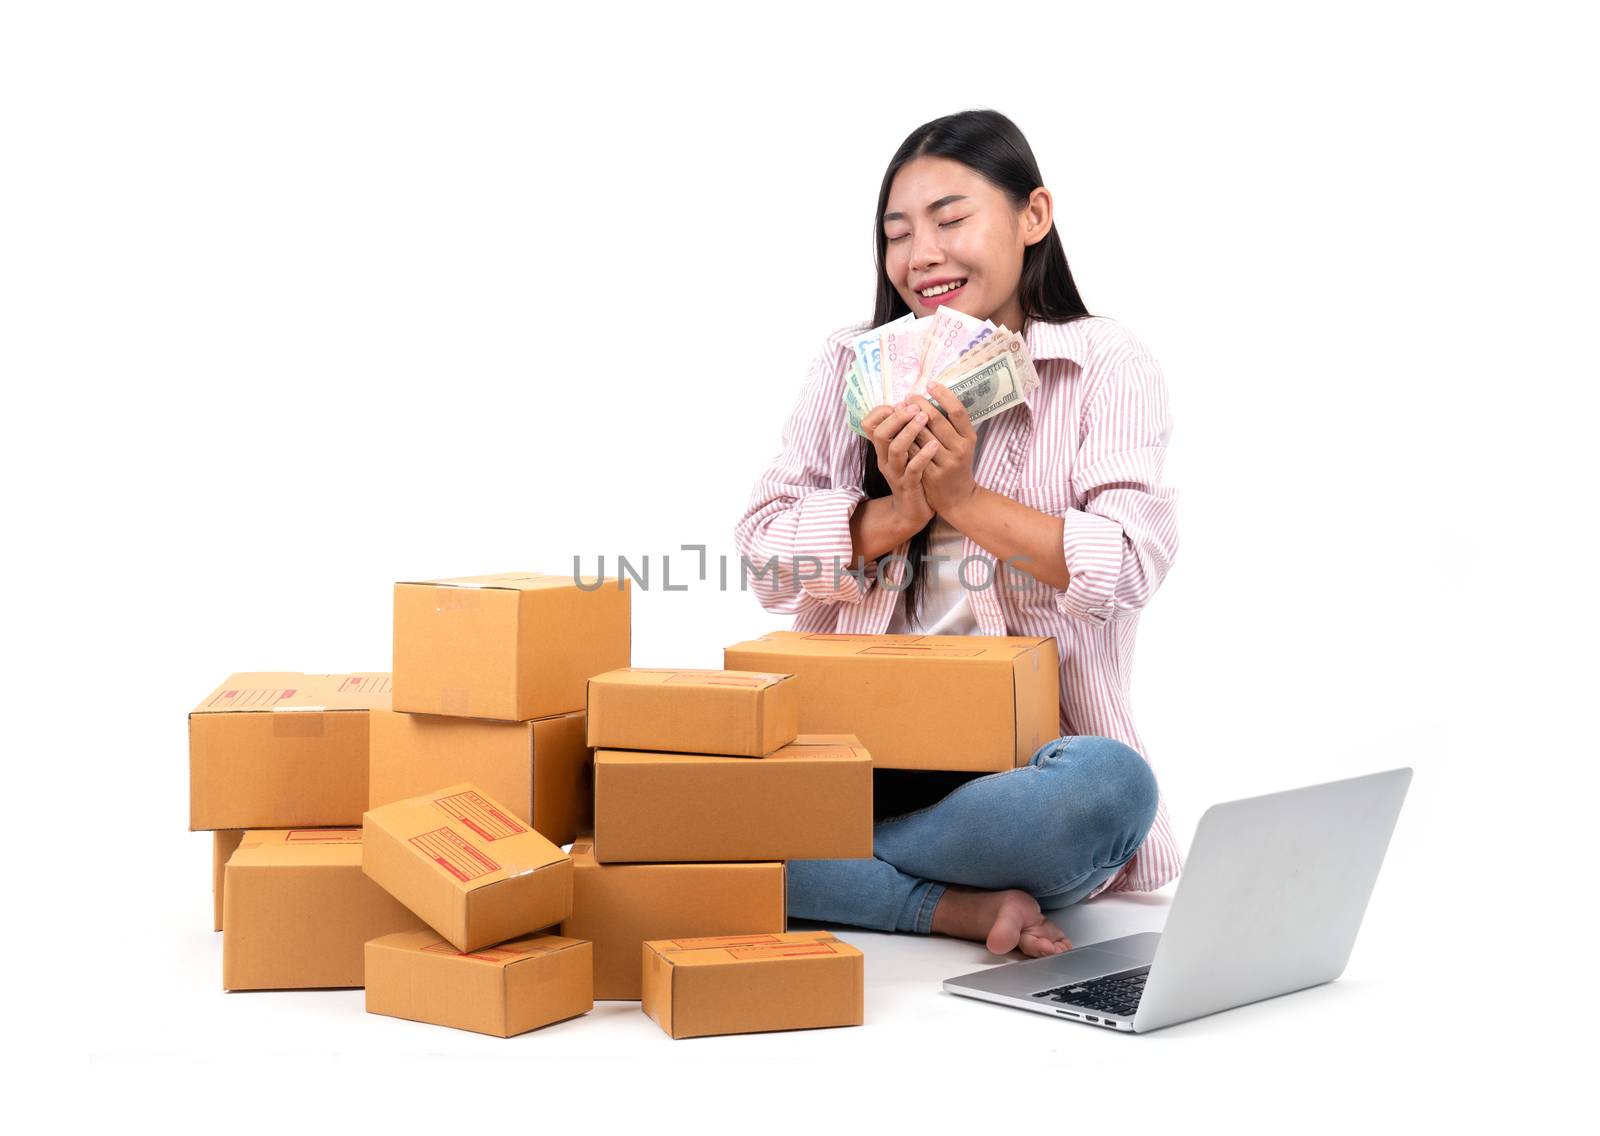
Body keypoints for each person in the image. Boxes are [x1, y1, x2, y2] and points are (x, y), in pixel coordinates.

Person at [733, 109, 1183, 959]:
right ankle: (955, 905)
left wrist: (964, 499)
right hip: (854, 758)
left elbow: (1126, 568)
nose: (920, 256)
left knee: (1111, 790)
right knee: (633, 785)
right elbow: (764, 556)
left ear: (1033, 217)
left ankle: (804, 858)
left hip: (1019, 779)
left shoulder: (1104, 366)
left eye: (950, 220)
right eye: (897, 233)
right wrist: (892, 517)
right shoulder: (847, 363)